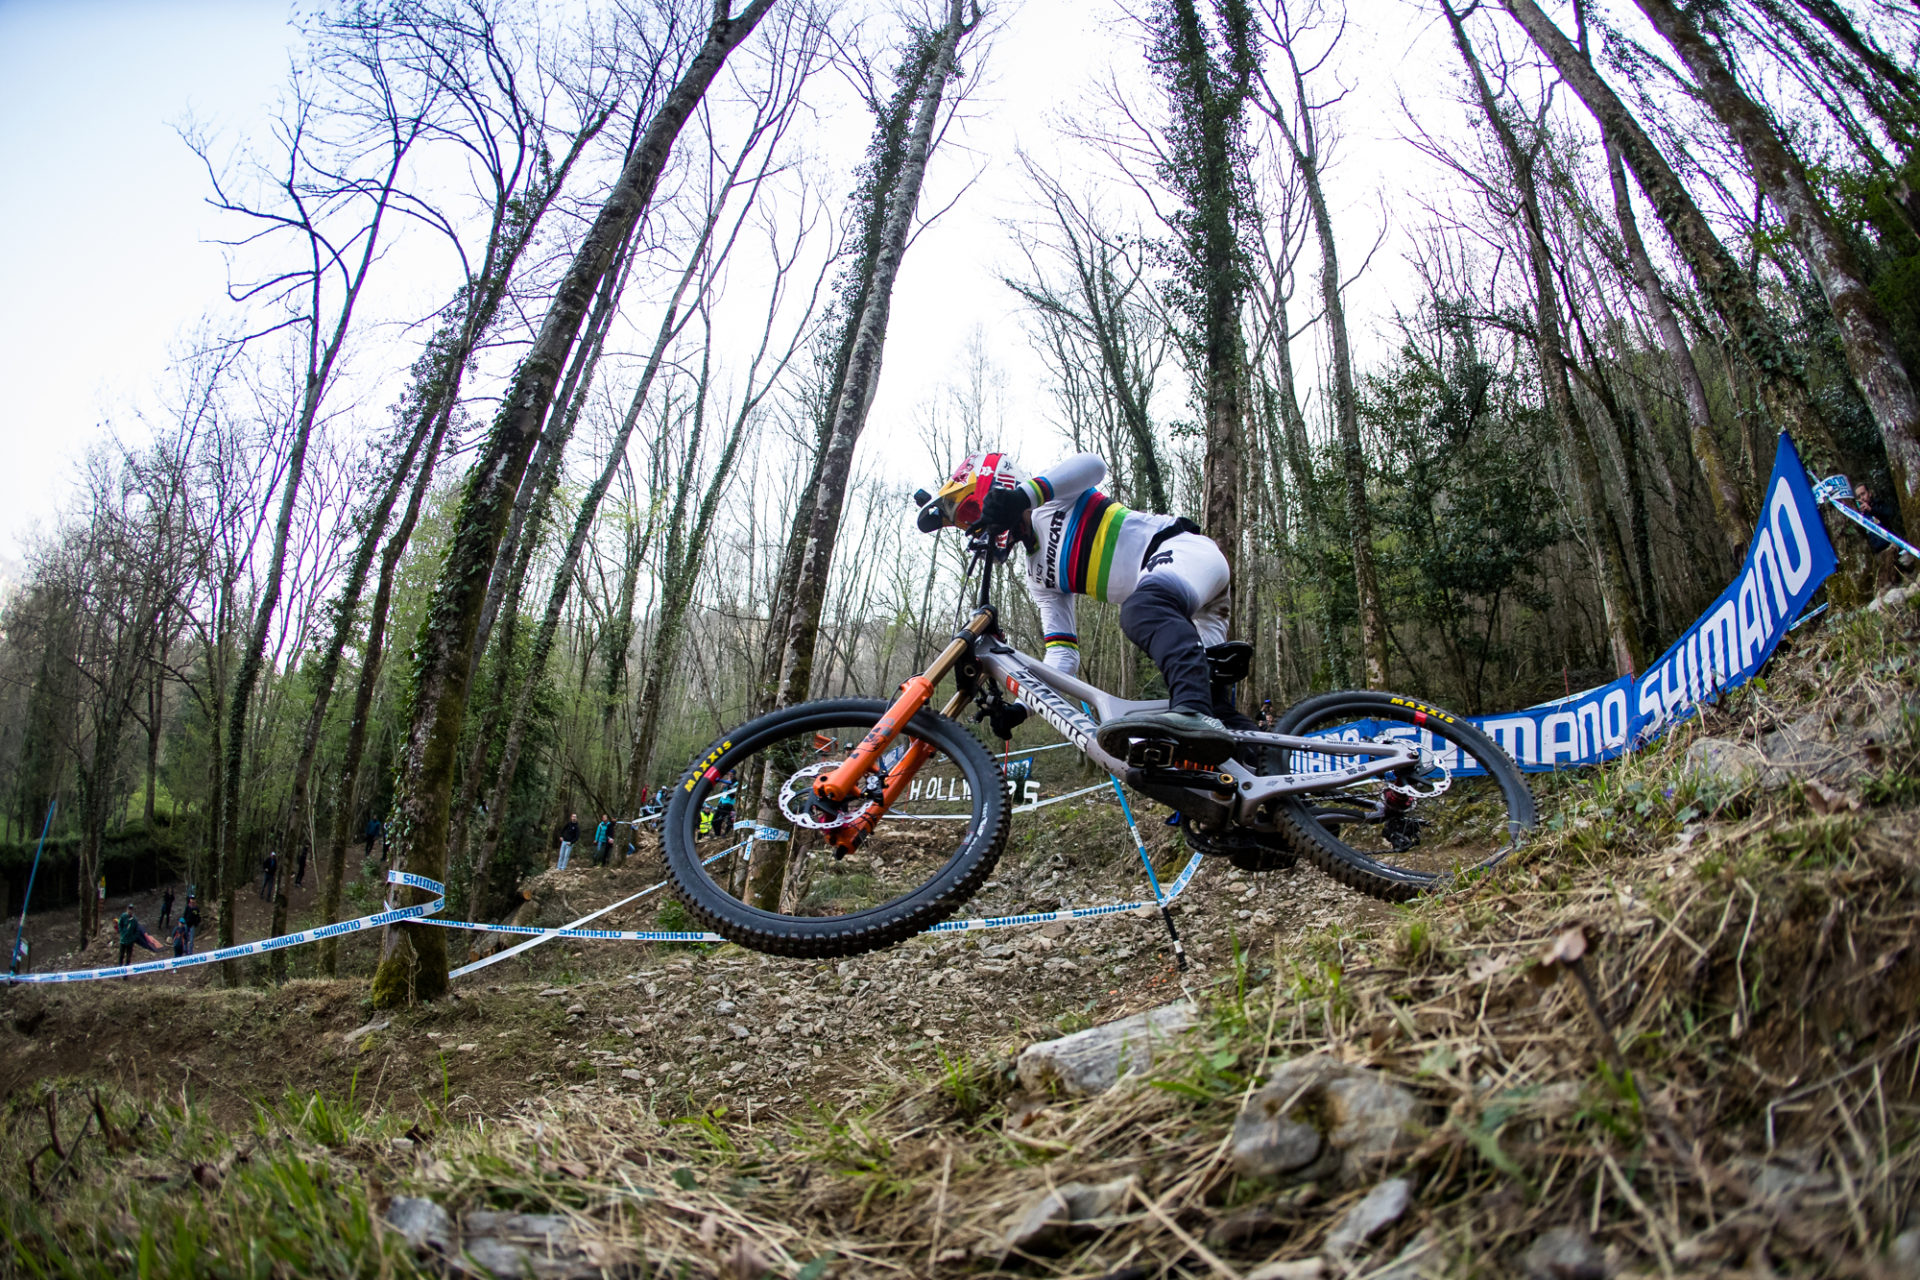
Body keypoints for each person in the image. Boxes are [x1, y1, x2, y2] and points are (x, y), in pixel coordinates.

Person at [927, 451, 1242, 762]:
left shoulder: (1050, 498)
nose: (974, 525)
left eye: (971, 512)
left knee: (1141, 611)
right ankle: (1270, 786)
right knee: (1219, 721)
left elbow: (1093, 465)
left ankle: (1193, 712)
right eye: (965, 523)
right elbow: (1063, 655)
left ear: (996, 486)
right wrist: (1022, 707)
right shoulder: (1037, 575)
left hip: (1182, 551)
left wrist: (1022, 498)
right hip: (1185, 602)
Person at [1850, 482, 1905, 590]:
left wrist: (1872, 510)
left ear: (1869, 493)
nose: (1862, 498)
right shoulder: (1860, 515)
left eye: (1863, 494)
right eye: (1859, 496)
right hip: (1876, 552)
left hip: (1890, 545)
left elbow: (1889, 513)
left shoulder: (1878, 504)